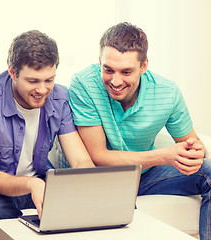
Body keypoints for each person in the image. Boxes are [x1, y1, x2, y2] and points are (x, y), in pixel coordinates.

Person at [68, 22, 210, 240]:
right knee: (120, 211)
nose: (115, 81)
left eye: (126, 72)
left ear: (144, 66)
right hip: (99, 177)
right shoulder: (83, 85)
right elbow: (99, 156)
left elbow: (192, 143)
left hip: (146, 175)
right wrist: (164, 155)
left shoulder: (167, 92)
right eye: (108, 69)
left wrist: (194, 152)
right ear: (100, 62)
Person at [0, 30, 95, 230]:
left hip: (41, 183)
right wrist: (30, 184)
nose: (42, 90)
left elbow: (80, 160)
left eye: (49, 80)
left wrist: (94, 189)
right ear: (12, 72)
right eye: (33, 81)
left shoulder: (60, 98)